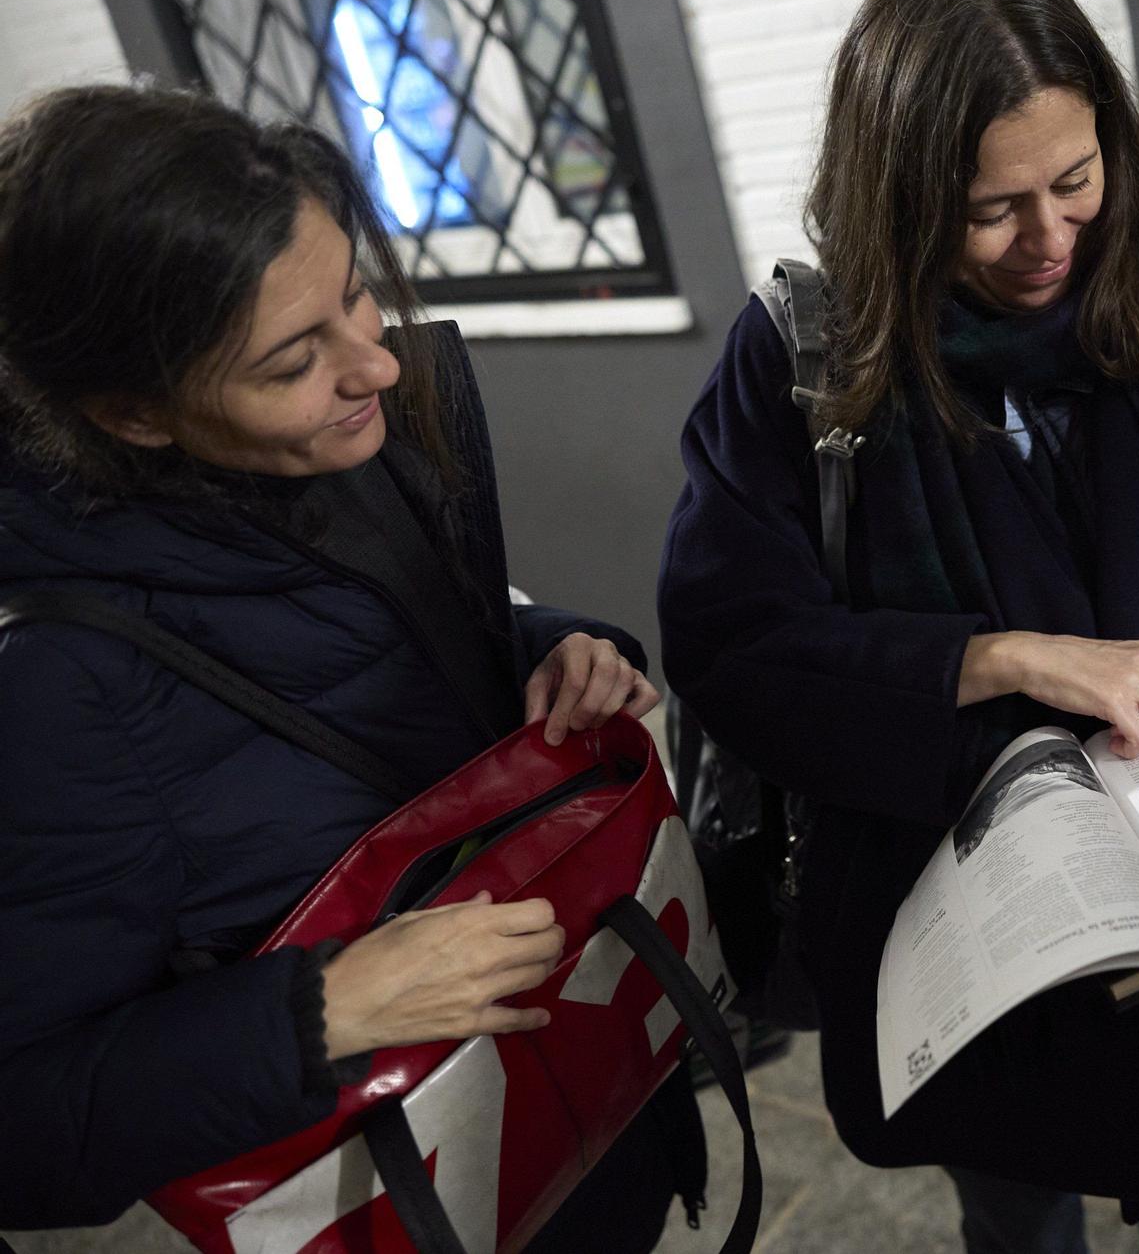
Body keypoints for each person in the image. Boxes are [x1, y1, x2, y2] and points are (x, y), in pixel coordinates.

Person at [656, 0, 1139, 1253]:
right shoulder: (808, 364)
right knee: (1015, 1208)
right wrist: (1001, 659)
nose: (1049, 239)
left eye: (1075, 179)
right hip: (970, 914)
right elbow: (729, 641)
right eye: (991, 209)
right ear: (896, 196)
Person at [0, 85, 670, 1248]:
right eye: (295, 358)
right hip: (414, 1185)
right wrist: (318, 1010)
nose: (379, 368)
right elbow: (24, 1123)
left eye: (357, 291)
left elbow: (394, 659)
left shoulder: (343, 448)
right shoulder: (56, 687)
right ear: (137, 415)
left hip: (568, 1102)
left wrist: (561, 647)